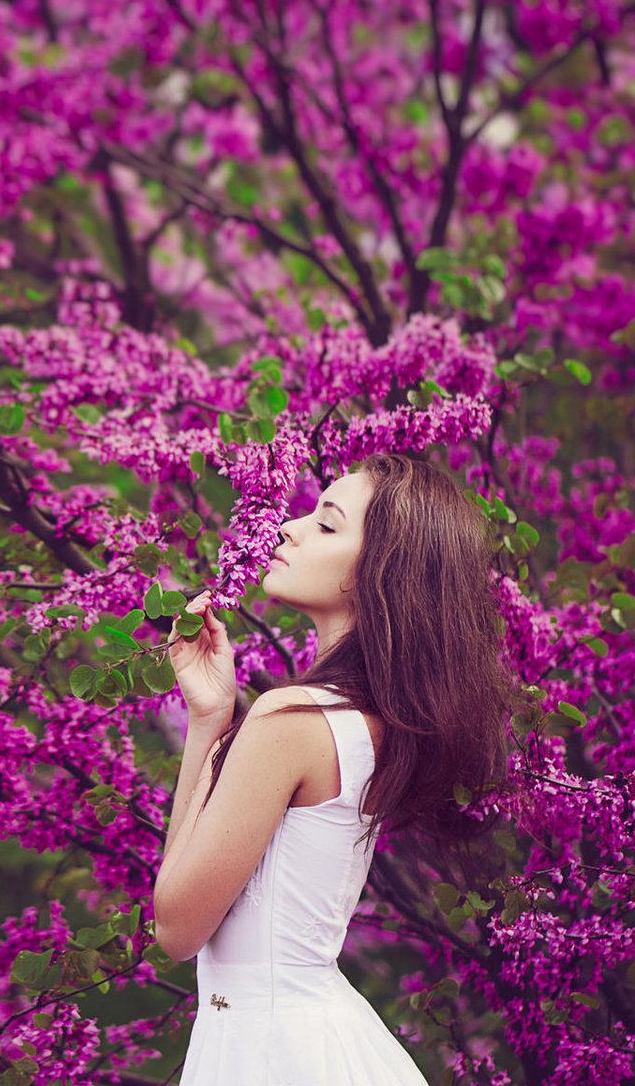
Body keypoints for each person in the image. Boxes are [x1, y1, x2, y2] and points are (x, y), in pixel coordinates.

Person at [155, 451, 518, 1084]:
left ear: (380, 571)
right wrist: (212, 716)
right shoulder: (374, 724)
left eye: (326, 524)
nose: (290, 528)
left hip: (271, 1052)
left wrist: (214, 730)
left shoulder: (292, 718)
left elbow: (177, 926)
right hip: (321, 1037)